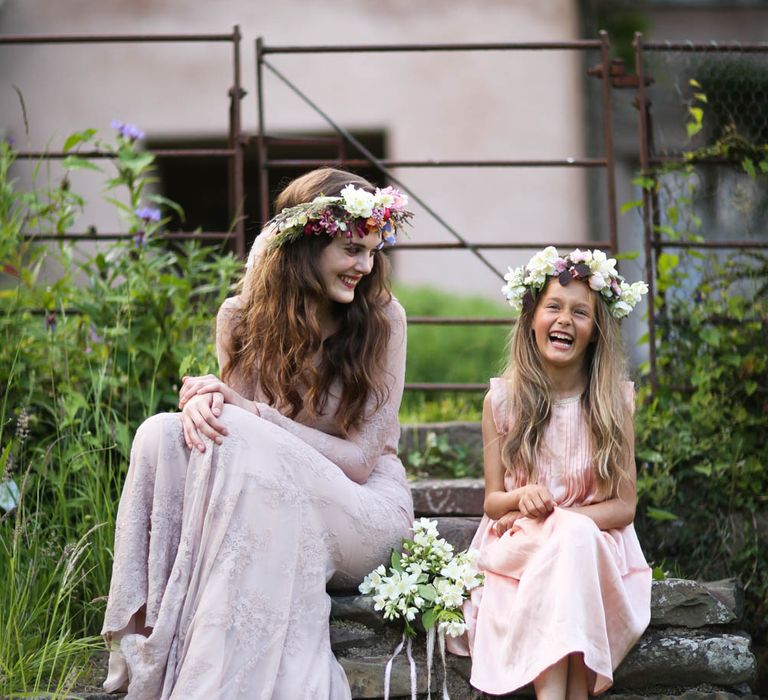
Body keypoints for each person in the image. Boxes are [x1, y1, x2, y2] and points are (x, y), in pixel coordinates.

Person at [101, 168, 415, 699]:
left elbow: (361, 460)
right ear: (304, 249)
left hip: (362, 508)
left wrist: (250, 412)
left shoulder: (383, 319)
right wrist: (207, 405)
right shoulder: (241, 319)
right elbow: (230, 441)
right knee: (160, 433)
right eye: (350, 250)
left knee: (240, 429)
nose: (365, 266)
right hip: (264, 507)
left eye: (372, 251)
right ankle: (155, 638)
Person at [447, 247, 652, 699]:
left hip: (595, 543)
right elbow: (493, 502)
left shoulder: (613, 404)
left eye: (580, 313)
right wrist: (523, 499)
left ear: (596, 331)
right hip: (524, 543)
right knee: (565, 545)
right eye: (553, 308)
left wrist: (568, 523)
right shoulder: (502, 402)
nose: (564, 320)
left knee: (573, 541)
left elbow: (625, 506)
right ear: (531, 320)